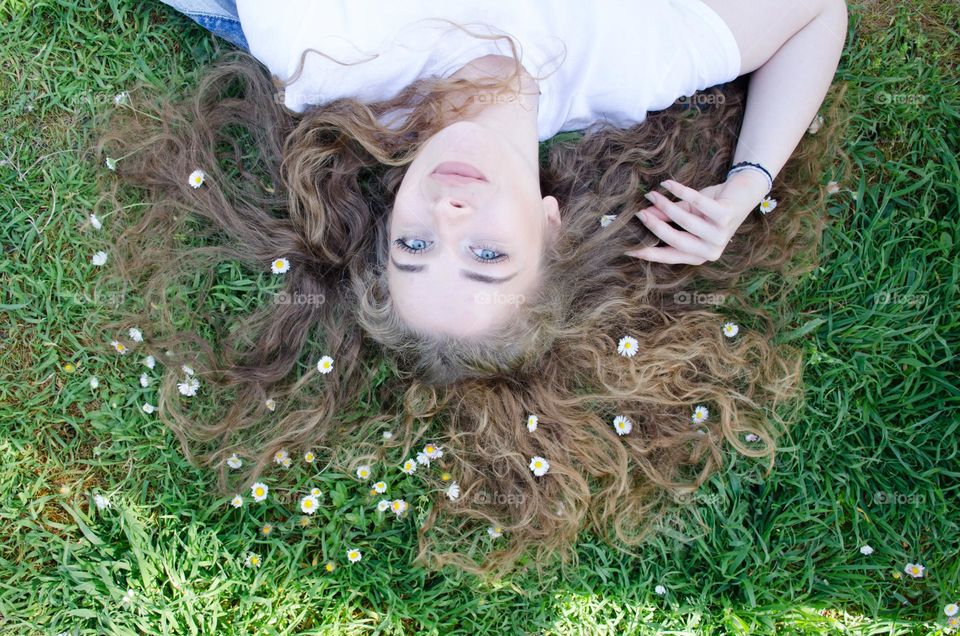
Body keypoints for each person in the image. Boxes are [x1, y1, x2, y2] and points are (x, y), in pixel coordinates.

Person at [97, 0, 848, 577]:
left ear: (387, 216)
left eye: (416, 246)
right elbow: (815, 12)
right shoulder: (632, 60)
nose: (449, 216)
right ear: (554, 230)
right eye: (487, 254)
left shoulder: (328, 55)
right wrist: (749, 185)